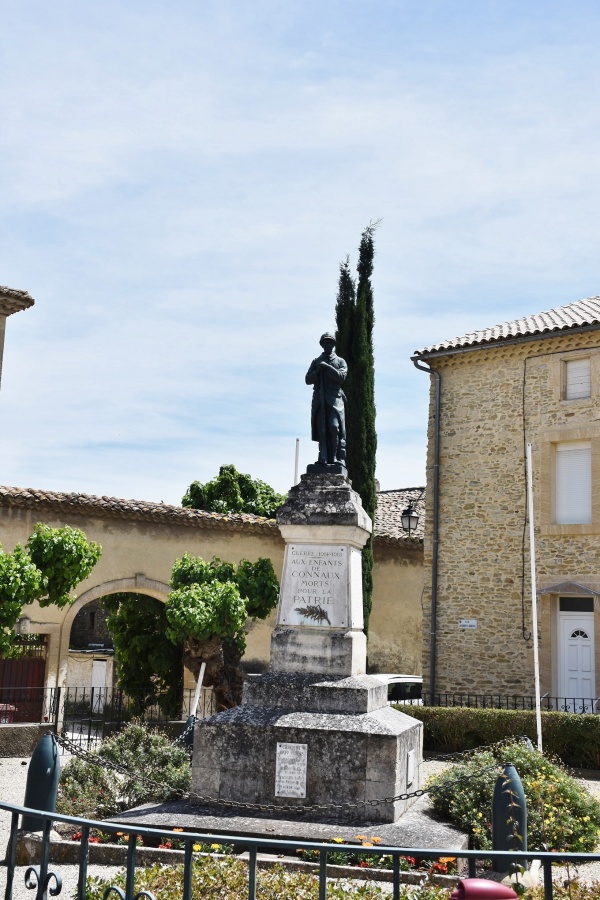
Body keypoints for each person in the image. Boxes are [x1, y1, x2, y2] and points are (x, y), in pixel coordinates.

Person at [305, 332, 348, 465]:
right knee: (322, 429)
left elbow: (341, 377)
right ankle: (322, 457)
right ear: (322, 345)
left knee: (333, 427)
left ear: (333, 344)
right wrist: (318, 372)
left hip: (335, 398)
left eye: (330, 342)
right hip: (320, 398)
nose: (328, 344)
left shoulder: (340, 361)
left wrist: (328, 368)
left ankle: (335, 457)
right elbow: (307, 379)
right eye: (325, 342)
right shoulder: (316, 361)